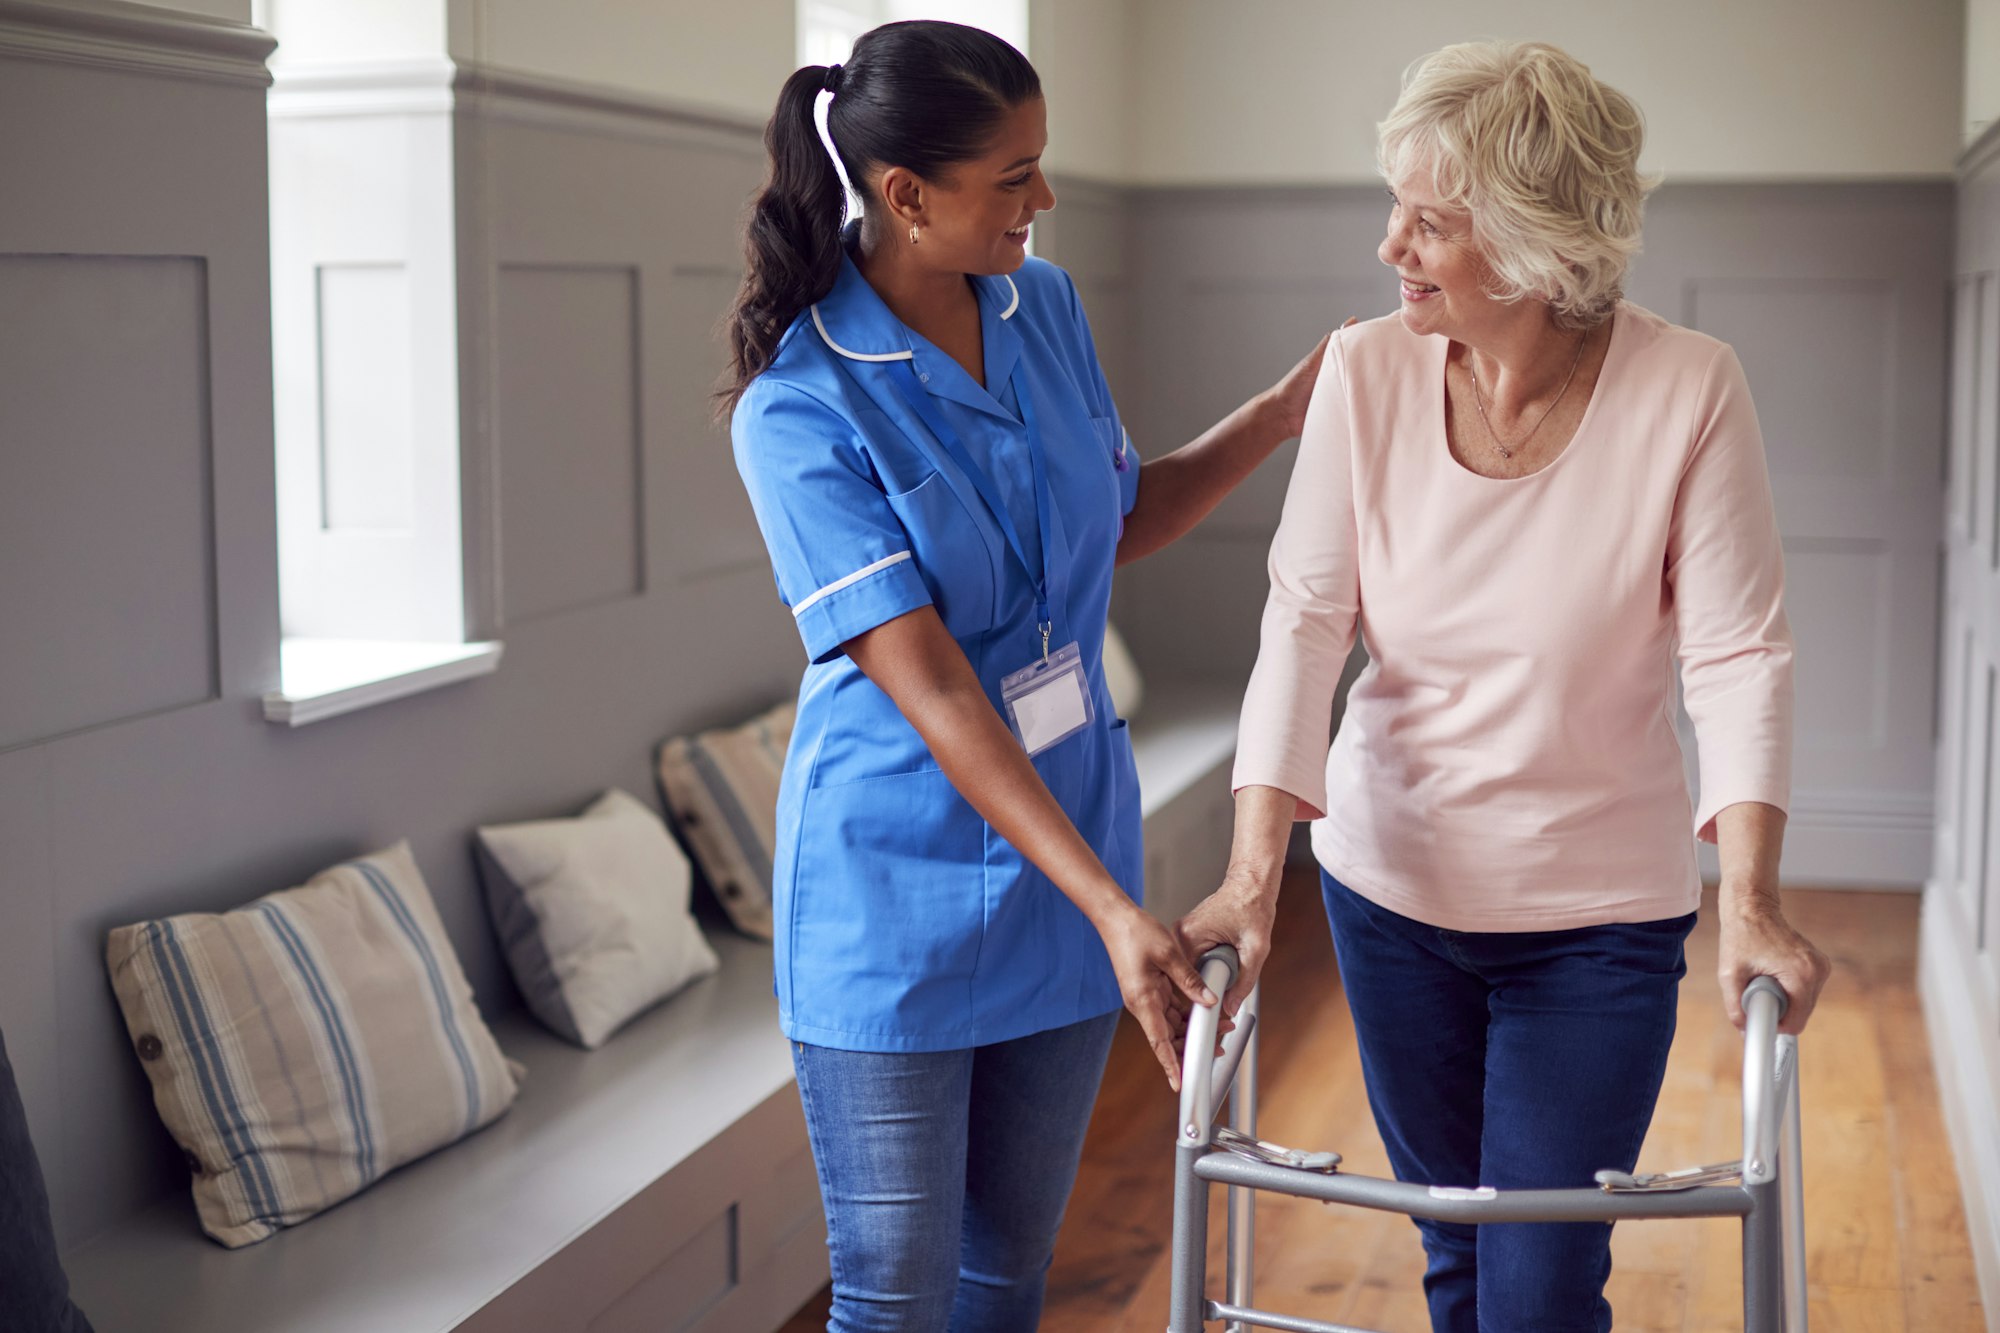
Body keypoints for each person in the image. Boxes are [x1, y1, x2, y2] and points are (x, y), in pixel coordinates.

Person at [1176, 40, 1833, 1333]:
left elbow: (1738, 653)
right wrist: (1255, 884)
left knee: (1536, 1285)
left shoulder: (1689, 390)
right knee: (1456, 1252)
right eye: (1395, 209)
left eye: (1429, 221)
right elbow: (1304, 627)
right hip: (1389, 894)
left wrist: (1751, 902)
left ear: (1537, 246)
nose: (1390, 247)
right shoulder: (1366, 374)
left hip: (1596, 922)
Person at [721, 22, 1325, 1331]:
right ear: (905, 195)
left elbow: (1120, 518)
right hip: (895, 900)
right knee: (895, 1288)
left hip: (1067, 876)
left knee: (1009, 1274)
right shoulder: (799, 408)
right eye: (1015, 176)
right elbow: (932, 687)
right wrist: (1120, 909)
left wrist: (1278, 415)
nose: (1043, 202)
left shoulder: (1040, 306)